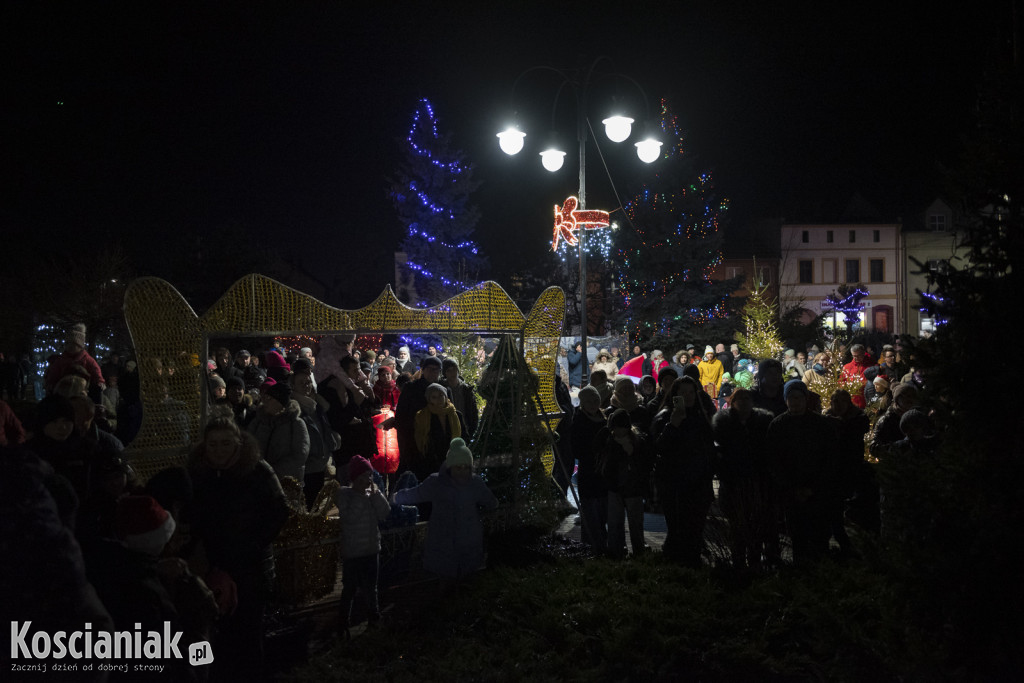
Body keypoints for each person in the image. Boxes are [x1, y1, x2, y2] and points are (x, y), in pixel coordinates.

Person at [187, 415, 290, 682]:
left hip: (251, 569)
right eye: (213, 444)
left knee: (248, 635)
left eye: (225, 443)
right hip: (212, 567)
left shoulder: (257, 470)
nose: (219, 450)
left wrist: (252, 545)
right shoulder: (198, 473)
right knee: (217, 637)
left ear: (237, 443)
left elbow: (279, 511)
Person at [393, 438, 498, 589]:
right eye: (458, 467)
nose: (462, 471)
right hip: (444, 543)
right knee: (447, 585)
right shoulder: (436, 483)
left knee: (467, 585)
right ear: (450, 467)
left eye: (465, 467)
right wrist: (396, 498)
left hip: (468, 542)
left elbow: (489, 500)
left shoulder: (475, 483)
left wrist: (494, 503)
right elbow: (416, 494)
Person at [766, 380, 840, 563]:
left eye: (799, 397)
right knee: (798, 538)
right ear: (786, 400)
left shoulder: (821, 425)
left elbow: (829, 459)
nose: (796, 402)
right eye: (792, 397)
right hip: (792, 493)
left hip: (818, 493)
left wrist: (814, 487)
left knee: (819, 537)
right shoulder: (778, 425)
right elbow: (773, 460)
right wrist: (792, 488)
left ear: (806, 399)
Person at [651, 376, 715, 566]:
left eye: (690, 392)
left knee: (695, 529)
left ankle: (692, 565)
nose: (687, 396)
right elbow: (658, 448)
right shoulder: (665, 416)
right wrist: (673, 425)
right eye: (682, 393)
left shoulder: (700, 416)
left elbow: (708, 446)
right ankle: (675, 567)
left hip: (699, 483)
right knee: (678, 529)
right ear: (674, 395)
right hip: (675, 484)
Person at [712, 388, 776, 570]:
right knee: (736, 526)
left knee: (756, 524)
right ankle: (738, 561)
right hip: (733, 482)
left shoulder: (763, 422)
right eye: (740, 399)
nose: (744, 402)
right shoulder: (724, 423)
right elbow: (720, 454)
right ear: (732, 402)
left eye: (747, 398)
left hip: (756, 482)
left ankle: (755, 561)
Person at [335, 455, 391, 636]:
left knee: (371, 588)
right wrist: (361, 497)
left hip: (371, 549)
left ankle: (374, 617)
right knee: (349, 589)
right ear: (355, 478)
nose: (367, 480)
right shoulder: (346, 496)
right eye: (363, 476)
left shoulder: (372, 495)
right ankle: (343, 622)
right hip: (353, 553)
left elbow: (384, 513)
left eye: (369, 476)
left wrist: (377, 496)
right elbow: (349, 518)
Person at [597, 409, 652, 557]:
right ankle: (617, 552)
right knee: (615, 523)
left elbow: (644, 465)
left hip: (632, 488)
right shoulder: (609, 441)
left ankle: (637, 553)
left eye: (622, 426)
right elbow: (606, 466)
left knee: (635, 524)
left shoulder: (637, 442)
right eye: (617, 427)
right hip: (616, 488)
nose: (620, 430)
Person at [248, 380, 310, 487]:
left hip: (286, 483)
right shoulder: (258, 421)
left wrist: (272, 471)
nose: (265, 402)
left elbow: (300, 455)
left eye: (269, 399)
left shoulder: (296, 424)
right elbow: (247, 444)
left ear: (280, 402)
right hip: (259, 480)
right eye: (265, 398)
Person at [570, 385, 609, 554]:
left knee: (602, 513)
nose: (593, 404)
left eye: (595, 400)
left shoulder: (604, 418)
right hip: (588, 472)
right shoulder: (578, 420)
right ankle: (591, 548)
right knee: (590, 513)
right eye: (589, 402)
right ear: (583, 403)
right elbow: (576, 447)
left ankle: (602, 544)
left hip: (604, 472)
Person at [414, 383, 463, 483]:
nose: (439, 399)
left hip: (454, 461)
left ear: (446, 396)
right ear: (429, 399)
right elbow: (421, 439)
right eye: (434, 397)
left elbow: (464, 435)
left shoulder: (456, 414)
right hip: (431, 463)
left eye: (441, 395)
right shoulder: (423, 416)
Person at [442, 358, 479, 438]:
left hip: (465, 430)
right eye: (449, 370)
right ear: (445, 373)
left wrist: (472, 429)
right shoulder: (442, 389)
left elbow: (473, 411)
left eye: (454, 369)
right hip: (448, 431)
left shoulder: (466, 389)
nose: (453, 373)